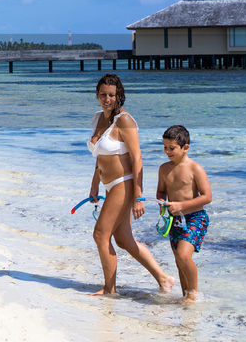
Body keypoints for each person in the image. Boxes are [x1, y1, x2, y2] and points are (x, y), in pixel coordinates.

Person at [85, 74, 175, 296]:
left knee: (100, 235)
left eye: (112, 95)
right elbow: (100, 156)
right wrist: (95, 184)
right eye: (103, 95)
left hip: (123, 184)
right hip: (108, 184)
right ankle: (164, 279)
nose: (107, 99)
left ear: (119, 96)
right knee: (123, 239)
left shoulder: (125, 121)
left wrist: (138, 195)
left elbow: (137, 158)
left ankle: (110, 289)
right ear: (97, 95)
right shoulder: (98, 118)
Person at [155, 125, 213, 303]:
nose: (167, 151)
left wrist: (182, 205)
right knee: (179, 260)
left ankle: (194, 293)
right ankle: (185, 295)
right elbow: (161, 192)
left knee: (183, 255)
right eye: (165, 147)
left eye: (171, 148)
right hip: (174, 220)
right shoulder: (164, 169)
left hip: (195, 218)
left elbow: (207, 197)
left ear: (185, 147)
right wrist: (162, 206)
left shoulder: (195, 168)